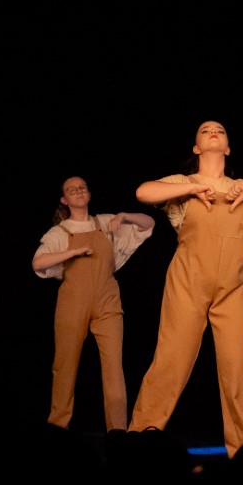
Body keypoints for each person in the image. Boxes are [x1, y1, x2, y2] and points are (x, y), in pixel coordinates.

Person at [127, 120, 243, 458]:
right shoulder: (183, 182)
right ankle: (138, 443)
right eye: (205, 130)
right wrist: (191, 190)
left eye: (219, 129)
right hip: (189, 278)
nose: (213, 132)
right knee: (171, 361)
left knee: (236, 367)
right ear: (196, 148)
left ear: (228, 147)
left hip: (234, 284)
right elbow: (143, 192)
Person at [32, 176, 156, 432]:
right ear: (64, 200)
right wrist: (72, 252)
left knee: (114, 368)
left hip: (107, 301)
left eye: (82, 188)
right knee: (65, 367)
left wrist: (124, 216)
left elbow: (149, 223)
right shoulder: (60, 232)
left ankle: (118, 431)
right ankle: (57, 428)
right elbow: (38, 263)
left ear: (89, 195)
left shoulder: (105, 223)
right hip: (72, 304)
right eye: (71, 190)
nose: (78, 192)